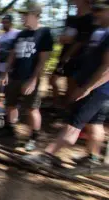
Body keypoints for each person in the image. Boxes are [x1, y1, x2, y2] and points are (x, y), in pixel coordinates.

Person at [24, 0, 109, 167]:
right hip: (95, 87)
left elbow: (107, 68)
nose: (94, 12)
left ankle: (47, 155)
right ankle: (94, 158)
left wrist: (86, 88)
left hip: (96, 89)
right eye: (94, 9)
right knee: (95, 123)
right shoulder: (101, 32)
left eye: (100, 10)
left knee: (74, 123)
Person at [0, 1, 54, 151]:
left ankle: (33, 138)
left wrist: (33, 80)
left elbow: (43, 60)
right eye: (22, 15)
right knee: (10, 104)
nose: (22, 18)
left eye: (25, 15)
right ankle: (10, 129)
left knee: (32, 109)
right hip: (14, 76)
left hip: (30, 78)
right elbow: (12, 54)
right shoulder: (20, 34)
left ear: (35, 15)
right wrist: (5, 73)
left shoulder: (44, 33)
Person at [50, 0, 97, 108]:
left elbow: (81, 41)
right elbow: (65, 37)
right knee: (53, 80)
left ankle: (68, 109)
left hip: (77, 57)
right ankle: (57, 105)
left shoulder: (90, 18)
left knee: (71, 85)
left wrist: (68, 56)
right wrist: (66, 40)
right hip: (64, 55)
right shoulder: (71, 19)